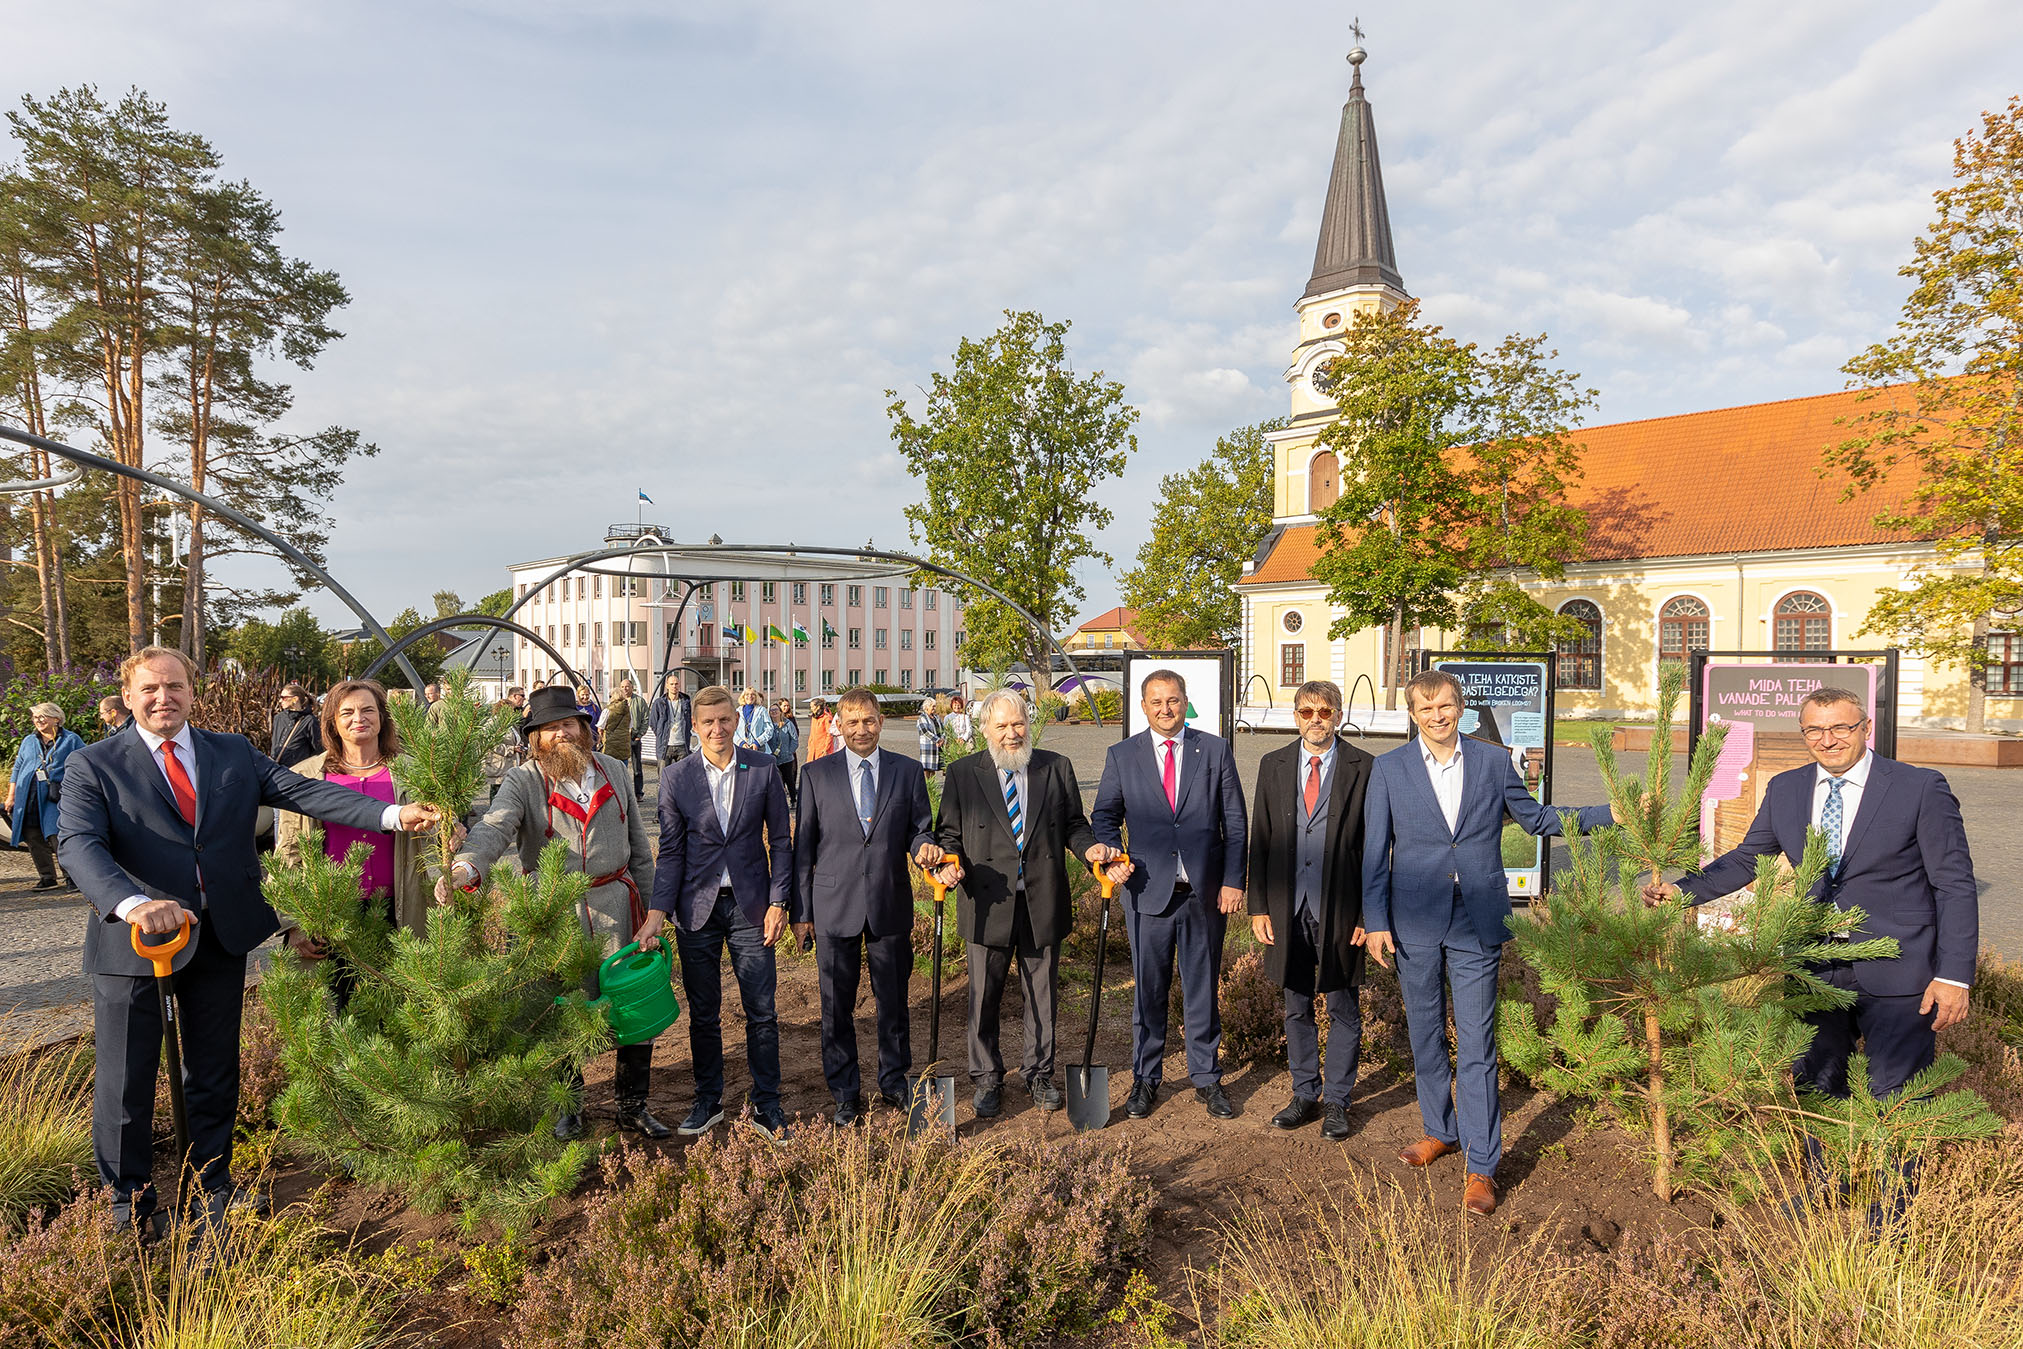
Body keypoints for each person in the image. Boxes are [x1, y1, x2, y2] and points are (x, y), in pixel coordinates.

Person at [59, 647, 438, 1234]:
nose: (165, 698)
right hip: (135, 944)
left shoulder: (231, 753)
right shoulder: (94, 764)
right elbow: (79, 846)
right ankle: (129, 1202)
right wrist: (133, 903)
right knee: (125, 1077)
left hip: (219, 937)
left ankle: (211, 1184)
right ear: (130, 697)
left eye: (176, 686)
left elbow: (307, 793)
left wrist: (390, 816)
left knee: (214, 1069)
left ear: (192, 691)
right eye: (151, 689)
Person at [1645, 686, 1977, 1209]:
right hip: (1815, 966)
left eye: (1841, 728)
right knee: (1817, 1083)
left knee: (1897, 1092)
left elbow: (1954, 885)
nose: (1828, 740)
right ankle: (1824, 1191)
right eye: (1815, 731)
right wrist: (1684, 891)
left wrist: (1955, 975)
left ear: (1866, 728)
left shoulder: (1918, 787)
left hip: (1900, 967)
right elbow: (1748, 858)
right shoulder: (1787, 789)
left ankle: (1892, 1212)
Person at [1362, 668, 1616, 1218]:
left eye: (1446, 706)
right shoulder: (1389, 770)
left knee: (1477, 1042)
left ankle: (1481, 1165)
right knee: (1425, 1030)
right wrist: (1375, 920)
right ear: (1413, 714)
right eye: (1426, 708)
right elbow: (1373, 852)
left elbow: (1539, 818)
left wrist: (1610, 813)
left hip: (1476, 919)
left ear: (1461, 707)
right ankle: (1439, 1131)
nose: (1437, 716)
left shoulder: (1493, 762)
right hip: (1414, 920)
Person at [443, 685, 662, 1139]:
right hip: (553, 914)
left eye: (568, 724)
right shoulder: (524, 781)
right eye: (548, 728)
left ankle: (632, 1105)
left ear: (585, 730)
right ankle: (568, 1106)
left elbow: (640, 848)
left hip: (618, 908)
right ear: (535, 739)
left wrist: (653, 912)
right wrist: (466, 865)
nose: (559, 734)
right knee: (558, 1009)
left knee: (633, 1008)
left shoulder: (615, 771)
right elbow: (494, 827)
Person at [932, 689, 1115, 1117]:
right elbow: (949, 834)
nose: (1012, 734)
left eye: (1019, 724)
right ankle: (987, 1078)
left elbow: (1074, 824)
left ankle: (1039, 1073)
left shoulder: (1055, 767)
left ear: (1028, 724)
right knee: (983, 998)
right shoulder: (962, 773)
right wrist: (949, 863)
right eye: (1002, 726)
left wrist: (1089, 851)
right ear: (985, 730)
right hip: (987, 901)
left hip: (1041, 899)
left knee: (1042, 995)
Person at [1092, 670, 1248, 1122]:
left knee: (1202, 989)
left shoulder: (1214, 750)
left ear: (1186, 702)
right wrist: (1110, 855)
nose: (1166, 708)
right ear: (1143, 706)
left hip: (1203, 893)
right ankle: (1146, 1078)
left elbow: (1234, 823)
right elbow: (1104, 816)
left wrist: (1233, 880)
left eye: (1174, 700)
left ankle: (1206, 1077)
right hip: (1146, 893)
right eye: (1156, 701)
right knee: (1149, 991)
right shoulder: (1123, 755)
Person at [650, 684, 793, 1141]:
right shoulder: (677, 778)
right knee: (704, 1014)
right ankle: (707, 1100)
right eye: (708, 722)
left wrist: (779, 901)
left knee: (761, 1011)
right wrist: (657, 912)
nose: (717, 729)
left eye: (725, 720)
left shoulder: (764, 769)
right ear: (694, 726)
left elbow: (782, 841)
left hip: (752, 907)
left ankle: (767, 1104)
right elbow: (670, 852)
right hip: (697, 910)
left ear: (738, 720)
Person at [791, 689, 941, 1124]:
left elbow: (918, 828)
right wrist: (802, 913)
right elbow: (804, 848)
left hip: (888, 901)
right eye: (853, 722)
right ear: (838, 724)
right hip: (833, 905)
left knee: (893, 1001)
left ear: (881, 721)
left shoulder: (908, 771)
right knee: (835, 1006)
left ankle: (894, 1080)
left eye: (870, 721)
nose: (862, 730)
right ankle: (844, 1092)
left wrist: (925, 846)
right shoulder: (817, 774)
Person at [1247, 680, 1374, 1140]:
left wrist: (1368, 914)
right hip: (1287, 906)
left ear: (1338, 715)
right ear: (1294, 716)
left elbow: (1376, 848)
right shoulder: (1273, 764)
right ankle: (1304, 1092)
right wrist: (1258, 905)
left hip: (1340, 907)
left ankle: (1338, 1100)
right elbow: (1259, 838)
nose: (1315, 720)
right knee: (1295, 1003)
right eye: (1306, 712)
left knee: (1342, 1005)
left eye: (1324, 711)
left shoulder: (1365, 767)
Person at [274, 679, 435, 948]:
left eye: (368, 710)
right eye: (347, 712)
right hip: (329, 916)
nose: (359, 719)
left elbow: (436, 836)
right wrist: (293, 923)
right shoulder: (307, 775)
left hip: (399, 910)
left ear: (383, 717)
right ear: (332, 722)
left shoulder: (414, 772)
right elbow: (288, 855)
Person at [7, 702, 84, 891]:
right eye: (35, 717)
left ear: (56, 718)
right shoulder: (28, 740)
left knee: (56, 834)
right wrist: (11, 795)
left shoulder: (71, 740)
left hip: (55, 795)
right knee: (32, 836)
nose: (38, 721)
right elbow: (17, 768)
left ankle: (72, 877)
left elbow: (83, 764)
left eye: (43, 716)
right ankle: (47, 877)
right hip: (28, 795)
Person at [269, 683, 323, 769]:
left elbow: (318, 750)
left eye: (284, 698)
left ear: (295, 699)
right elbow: (274, 743)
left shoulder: (309, 721)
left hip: (297, 772)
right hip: (277, 769)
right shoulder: (278, 718)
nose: (280, 701)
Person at [611, 678, 648, 799]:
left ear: (632, 687)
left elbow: (646, 719)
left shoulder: (639, 701)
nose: (625, 689)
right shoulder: (615, 703)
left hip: (634, 737)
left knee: (637, 767)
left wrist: (639, 735)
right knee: (622, 766)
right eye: (622, 687)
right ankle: (623, 793)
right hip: (621, 740)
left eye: (627, 686)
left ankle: (638, 793)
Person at [650, 674, 692, 769]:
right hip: (665, 745)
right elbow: (653, 722)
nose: (674, 686)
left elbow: (689, 720)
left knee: (683, 776)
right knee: (664, 777)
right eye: (672, 684)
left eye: (676, 684)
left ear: (679, 685)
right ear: (667, 685)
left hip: (682, 744)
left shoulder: (685, 701)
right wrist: (661, 733)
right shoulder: (659, 703)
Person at [599, 684, 635, 783]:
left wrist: (601, 738)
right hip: (624, 745)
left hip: (610, 745)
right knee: (622, 771)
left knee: (609, 772)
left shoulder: (607, 710)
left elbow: (600, 727)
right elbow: (630, 727)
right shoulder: (628, 711)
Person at [769, 698, 801, 808]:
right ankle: (781, 802)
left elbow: (795, 740)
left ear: (780, 712)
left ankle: (793, 800)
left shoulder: (787, 724)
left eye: (776, 710)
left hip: (787, 758)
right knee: (778, 782)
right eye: (771, 710)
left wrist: (789, 752)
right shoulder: (768, 725)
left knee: (789, 780)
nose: (774, 712)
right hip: (774, 758)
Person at [733, 686, 776, 756]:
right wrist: (741, 743)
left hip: (760, 749)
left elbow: (769, 729)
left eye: (753, 694)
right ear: (743, 697)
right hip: (742, 749)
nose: (750, 696)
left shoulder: (762, 710)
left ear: (756, 697)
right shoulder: (737, 711)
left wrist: (758, 742)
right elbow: (732, 730)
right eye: (747, 694)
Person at [916, 697, 945, 778]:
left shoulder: (937, 717)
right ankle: (927, 787)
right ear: (927, 707)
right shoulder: (922, 718)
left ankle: (932, 787)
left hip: (937, 747)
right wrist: (938, 740)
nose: (934, 708)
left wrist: (942, 739)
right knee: (926, 769)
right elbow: (925, 731)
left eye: (935, 706)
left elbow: (942, 729)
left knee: (933, 769)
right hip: (928, 746)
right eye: (933, 706)